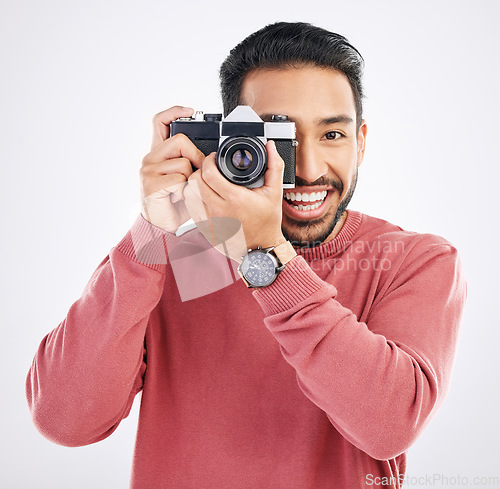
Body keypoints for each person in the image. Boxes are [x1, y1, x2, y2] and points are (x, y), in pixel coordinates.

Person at [26, 22, 466, 489]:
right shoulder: (179, 259)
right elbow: (62, 419)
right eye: (280, 138)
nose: (308, 169)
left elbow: (390, 424)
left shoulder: (413, 261)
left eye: (332, 136)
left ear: (361, 142)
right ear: (227, 140)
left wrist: (265, 256)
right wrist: (152, 231)